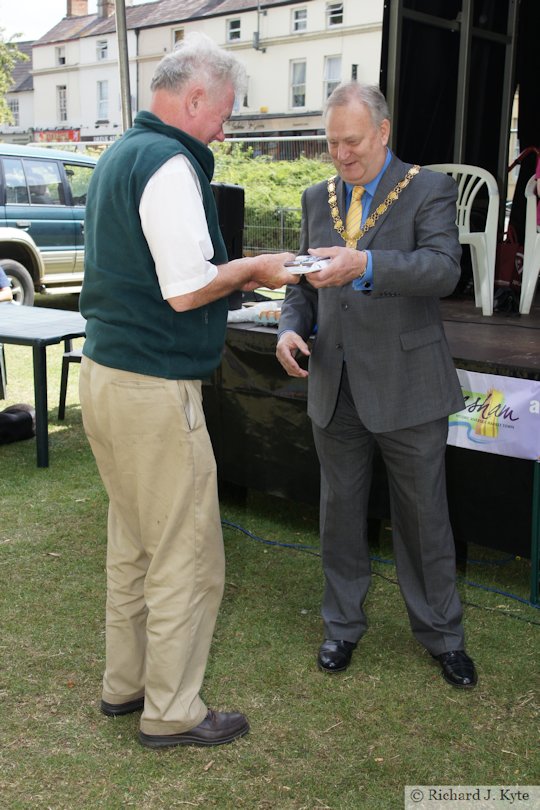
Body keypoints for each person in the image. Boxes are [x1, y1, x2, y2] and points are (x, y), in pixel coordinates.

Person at [78, 32, 297, 750]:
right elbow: (186, 289)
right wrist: (256, 268)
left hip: (107, 376)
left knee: (134, 543)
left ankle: (125, 684)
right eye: (224, 114)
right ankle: (171, 711)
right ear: (194, 97)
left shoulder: (118, 154)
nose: (225, 130)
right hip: (152, 388)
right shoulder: (169, 161)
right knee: (184, 554)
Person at [276, 82, 477, 689]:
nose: (341, 154)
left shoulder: (429, 189)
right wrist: (290, 329)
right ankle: (341, 626)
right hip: (334, 385)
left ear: (383, 132)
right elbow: (301, 282)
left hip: (408, 384)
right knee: (339, 515)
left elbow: (445, 270)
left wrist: (367, 265)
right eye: (332, 142)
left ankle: (443, 635)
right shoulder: (316, 196)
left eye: (352, 141)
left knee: (423, 519)